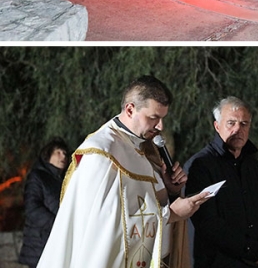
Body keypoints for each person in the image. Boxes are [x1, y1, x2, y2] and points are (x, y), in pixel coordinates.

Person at [36, 77, 209, 268]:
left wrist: (170, 190)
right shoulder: (102, 154)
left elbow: (145, 204)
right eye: (153, 118)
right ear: (129, 109)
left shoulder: (146, 149)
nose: (160, 126)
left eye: (162, 118)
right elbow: (105, 228)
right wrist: (170, 215)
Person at [186, 96, 258, 268]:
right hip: (216, 263)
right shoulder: (201, 165)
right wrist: (253, 250)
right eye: (231, 123)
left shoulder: (253, 166)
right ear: (217, 125)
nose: (238, 129)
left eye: (244, 124)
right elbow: (208, 223)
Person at [18, 139, 69, 268]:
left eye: (65, 153)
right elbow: (32, 208)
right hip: (40, 243)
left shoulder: (65, 180)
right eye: (58, 152)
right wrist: (57, 224)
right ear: (48, 155)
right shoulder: (38, 176)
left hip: (57, 242)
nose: (63, 156)